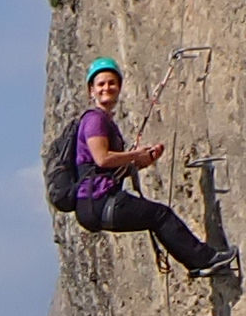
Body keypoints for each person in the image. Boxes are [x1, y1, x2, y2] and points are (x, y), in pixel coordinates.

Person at [65, 56, 235, 280]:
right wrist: (136, 154)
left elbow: (105, 168)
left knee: (155, 217)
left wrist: (141, 162)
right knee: (160, 215)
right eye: (101, 84)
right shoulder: (95, 120)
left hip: (94, 203)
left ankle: (199, 263)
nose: (107, 88)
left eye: (112, 83)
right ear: (92, 90)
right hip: (97, 200)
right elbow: (102, 159)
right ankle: (204, 260)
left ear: (119, 87)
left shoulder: (103, 121)